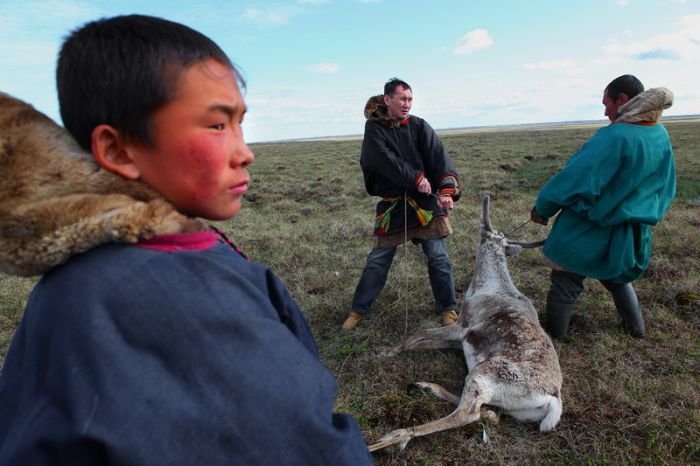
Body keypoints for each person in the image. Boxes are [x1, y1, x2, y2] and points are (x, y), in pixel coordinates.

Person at [0, 15, 372, 465]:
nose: (245, 151)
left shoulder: (96, 266)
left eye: (239, 123)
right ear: (117, 150)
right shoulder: (166, 295)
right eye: (217, 125)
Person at [530, 74, 676, 340]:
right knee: (617, 277)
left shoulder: (615, 136)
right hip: (629, 231)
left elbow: (575, 179)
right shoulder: (659, 133)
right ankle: (636, 331)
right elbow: (666, 187)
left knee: (565, 281)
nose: (605, 111)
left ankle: (554, 340)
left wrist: (543, 208)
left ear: (622, 100)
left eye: (607, 103)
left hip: (590, 227)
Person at [342, 78, 462, 331]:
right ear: (388, 99)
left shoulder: (419, 126)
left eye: (410, 99)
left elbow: (439, 158)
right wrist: (416, 178)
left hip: (424, 205)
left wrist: (447, 191)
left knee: (438, 257)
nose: (407, 104)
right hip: (394, 206)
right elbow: (382, 159)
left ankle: (448, 308)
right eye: (402, 99)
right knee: (378, 259)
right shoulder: (374, 129)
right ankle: (358, 310)